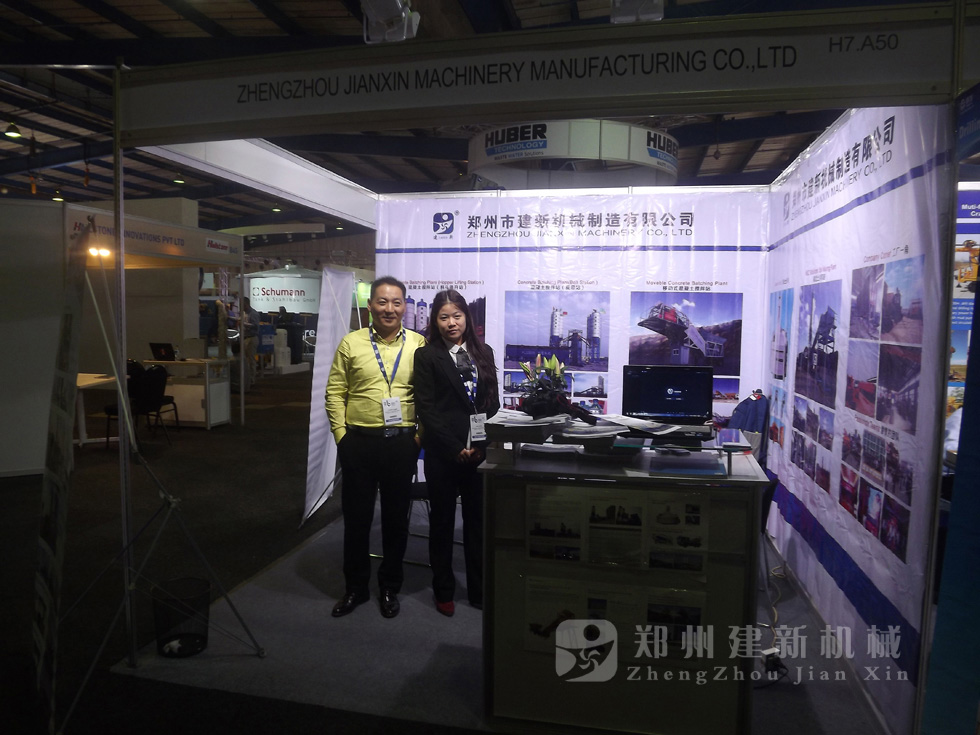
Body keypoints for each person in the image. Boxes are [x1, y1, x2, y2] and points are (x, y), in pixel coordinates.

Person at [325, 276, 425, 619]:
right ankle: (355, 588)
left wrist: (419, 436)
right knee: (357, 520)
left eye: (396, 302)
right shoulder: (351, 343)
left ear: (404, 306)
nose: (389, 309)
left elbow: (429, 395)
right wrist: (342, 436)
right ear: (370, 306)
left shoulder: (419, 344)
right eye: (382, 302)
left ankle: (389, 587)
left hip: (401, 444)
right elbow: (335, 392)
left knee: (396, 520)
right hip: (359, 444)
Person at [414, 289, 499, 616]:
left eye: (457, 316)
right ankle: (444, 590)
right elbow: (426, 408)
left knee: (478, 524)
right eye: (444, 317)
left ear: (467, 317)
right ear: (435, 321)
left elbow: (492, 402)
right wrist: (455, 447)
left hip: (478, 453)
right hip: (442, 454)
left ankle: (479, 590)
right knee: (442, 524)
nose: (451, 323)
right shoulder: (427, 355)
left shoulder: (483, 352)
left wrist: (478, 443)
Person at [242, 296, 260, 385]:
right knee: (245, 360)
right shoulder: (244, 313)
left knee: (251, 360)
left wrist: (245, 324)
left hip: (252, 338)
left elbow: (256, 326)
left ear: (246, 304)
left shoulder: (253, 314)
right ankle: (247, 378)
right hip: (245, 338)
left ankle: (252, 379)